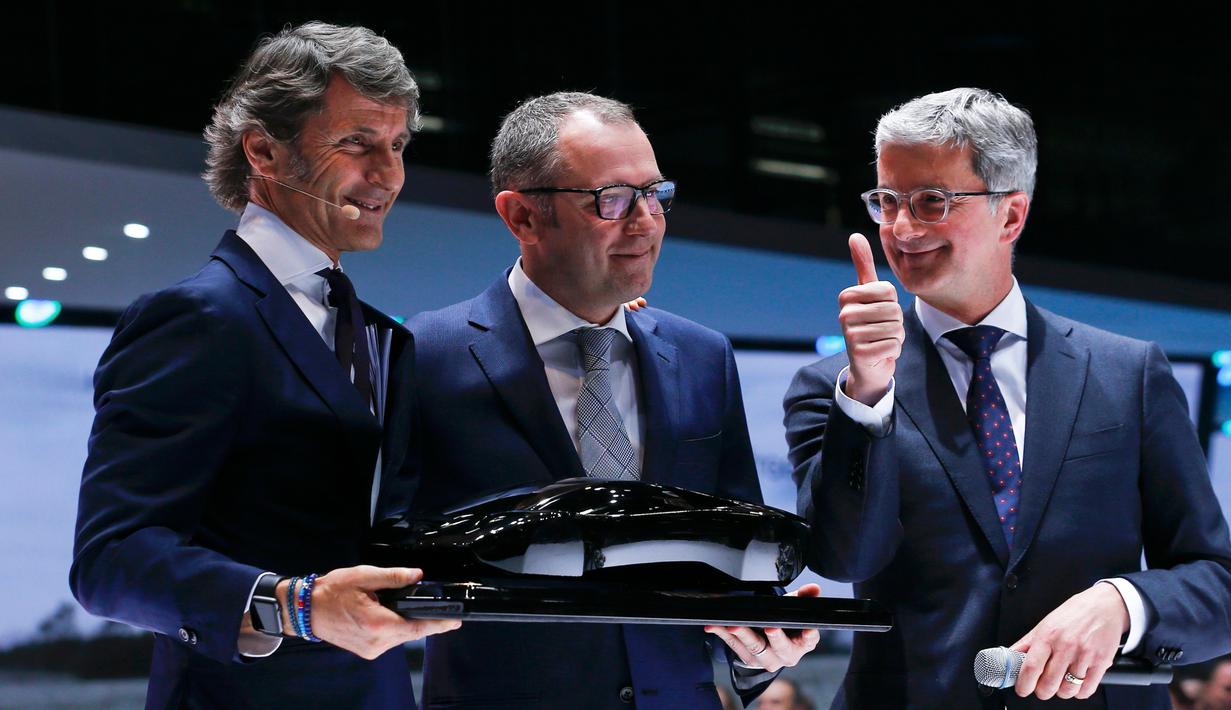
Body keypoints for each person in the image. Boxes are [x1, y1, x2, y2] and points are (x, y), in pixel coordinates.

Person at [783, 87, 1231, 708]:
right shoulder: (837, 390)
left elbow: (1216, 582)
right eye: (887, 201)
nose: (902, 228)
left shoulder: (1127, 375)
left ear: (1011, 215)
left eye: (931, 202)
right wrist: (868, 390)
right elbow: (843, 556)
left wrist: (1123, 603)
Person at [70, 22, 458, 709]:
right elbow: (112, 559)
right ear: (263, 151)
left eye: (397, 146)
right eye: (357, 143)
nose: (389, 175)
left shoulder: (374, 333)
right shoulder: (198, 318)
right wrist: (295, 606)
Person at [401, 91, 819, 709]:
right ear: (522, 217)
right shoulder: (426, 353)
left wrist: (763, 647)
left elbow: (738, 565)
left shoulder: (702, 356)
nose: (645, 220)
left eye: (655, 194)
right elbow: (391, 560)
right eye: (612, 198)